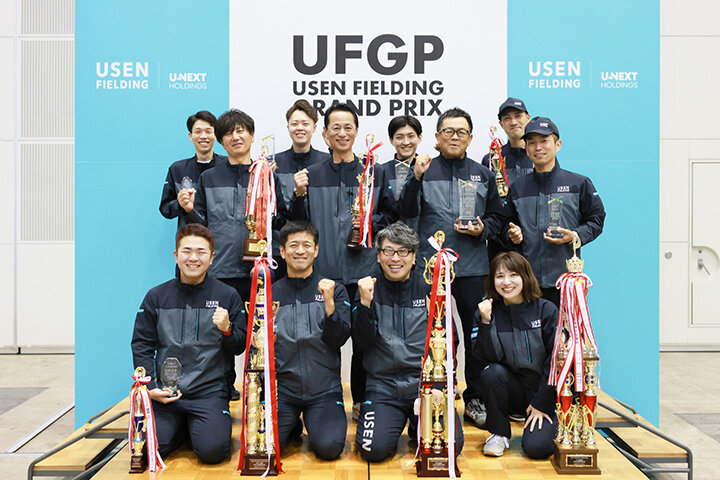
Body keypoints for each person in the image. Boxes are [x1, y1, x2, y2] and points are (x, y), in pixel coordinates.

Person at [398, 107, 506, 428]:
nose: (454, 137)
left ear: (470, 138)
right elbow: (405, 211)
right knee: (437, 333)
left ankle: (475, 397)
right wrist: (416, 177)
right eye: (448, 131)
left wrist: (483, 229)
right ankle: (436, 392)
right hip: (430, 268)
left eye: (461, 132)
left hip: (473, 267)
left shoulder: (483, 174)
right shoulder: (422, 169)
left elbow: (498, 218)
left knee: (476, 334)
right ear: (437, 136)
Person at [290, 102, 398, 418]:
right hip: (324, 274)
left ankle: (363, 399)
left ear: (356, 131)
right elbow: (296, 223)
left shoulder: (374, 171)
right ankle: (327, 398)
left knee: (365, 340)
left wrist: (368, 223)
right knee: (326, 339)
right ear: (325, 133)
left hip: (365, 271)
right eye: (335, 127)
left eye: (347, 127)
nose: (342, 133)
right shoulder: (311, 175)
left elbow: (391, 214)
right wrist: (298, 195)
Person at [186, 109, 289, 400]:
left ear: (252, 135)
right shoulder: (208, 178)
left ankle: (264, 385)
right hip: (221, 269)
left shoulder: (266, 174)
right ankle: (223, 387)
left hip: (260, 268)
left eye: (241, 130)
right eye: (229, 133)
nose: (236, 136)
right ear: (221, 141)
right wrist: (190, 209)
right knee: (221, 331)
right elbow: (201, 223)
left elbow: (281, 218)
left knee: (263, 329)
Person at [131, 223, 246, 463]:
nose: (193, 258)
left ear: (212, 258)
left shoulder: (227, 296)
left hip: (209, 393)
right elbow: (142, 343)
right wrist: (151, 387)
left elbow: (240, 346)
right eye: (187, 251)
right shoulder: (156, 297)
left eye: (201, 252)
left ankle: (195, 427)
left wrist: (228, 330)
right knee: (148, 451)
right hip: (166, 393)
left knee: (213, 452)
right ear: (176, 255)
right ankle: (181, 428)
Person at [353, 222, 464, 462]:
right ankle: (401, 424)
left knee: (447, 447)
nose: (395, 258)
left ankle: (417, 426)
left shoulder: (430, 288)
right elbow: (362, 342)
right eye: (388, 251)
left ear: (414, 257)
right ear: (379, 256)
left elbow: (449, 341)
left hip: (424, 386)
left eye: (403, 251)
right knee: (373, 450)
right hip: (383, 387)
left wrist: (442, 384)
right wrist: (364, 304)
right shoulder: (368, 289)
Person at [504, 117, 606, 306]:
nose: (538, 147)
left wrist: (575, 236)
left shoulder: (578, 183)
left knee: (564, 326)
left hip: (565, 281)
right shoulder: (518, 188)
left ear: (557, 145)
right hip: (527, 282)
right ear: (526, 148)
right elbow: (506, 225)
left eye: (544, 141)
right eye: (531, 143)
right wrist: (513, 235)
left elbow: (597, 219)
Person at [273, 221, 351, 459]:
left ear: (316, 250)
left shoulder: (335, 290)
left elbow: (339, 339)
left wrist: (329, 305)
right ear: (282, 251)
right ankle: (291, 425)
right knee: (267, 449)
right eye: (293, 245)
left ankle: (307, 421)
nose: (300, 251)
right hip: (283, 392)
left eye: (307, 245)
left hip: (324, 391)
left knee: (329, 448)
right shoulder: (269, 293)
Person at [472, 251, 557, 458]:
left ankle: (552, 423)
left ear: (525, 277)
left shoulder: (546, 310)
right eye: (500, 276)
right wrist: (486, 322)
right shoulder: (486, 311)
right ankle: (499, 433)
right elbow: (486, 359)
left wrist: (542, 402)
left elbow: (556, 360)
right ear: (492, 280)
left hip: (542, 392)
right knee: (491, 373)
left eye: (513, 275)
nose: (506, 282)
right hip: (511, 391)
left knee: (538, 448)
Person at [270, 100, 330, 279]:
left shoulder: (327, 162)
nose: (300, 128)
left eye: (305, 123)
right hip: (282, 250)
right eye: (295, 124)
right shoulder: (272, 164)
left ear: (314, 127)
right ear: (288, 127)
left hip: (318, 247)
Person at [480, 98, 534, 261]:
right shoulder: (491, 159)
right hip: (500, 245)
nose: (513, 122)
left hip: (535, 242)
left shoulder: (540, 156)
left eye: (518, 116)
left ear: (528, 118)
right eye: (507, 118)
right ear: (501, 124)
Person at [159, 110, 225, 230]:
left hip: (221, 237)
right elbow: (165, 209)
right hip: (189, 237)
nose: (203, 136)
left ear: (215, 135)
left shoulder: (226, 166)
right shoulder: (177, 169)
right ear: (190, 136)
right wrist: (180, 204)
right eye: (198, 131)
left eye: (208, 131)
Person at [378, 115, 426, 231]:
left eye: (411, 136)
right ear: (391, 140)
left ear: (420, 137)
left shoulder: (428, 169)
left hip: (422, 238)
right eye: (399, 137)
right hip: (389, 239)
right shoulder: (382, 171)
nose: (406, 142)